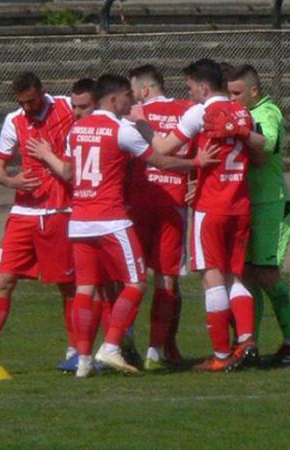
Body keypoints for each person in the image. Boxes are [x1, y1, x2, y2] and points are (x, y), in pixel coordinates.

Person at [29, 73, 218, 378]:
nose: (132, 101)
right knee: (136, 282)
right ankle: (112, 345)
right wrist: (196, 163)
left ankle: (84, 360)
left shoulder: (76, 130)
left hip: (80, 221)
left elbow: (70, 171)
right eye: (128, 96)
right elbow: (160, 160)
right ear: (115, 99)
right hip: (111, 220)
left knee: (86, 288)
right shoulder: (121, 130)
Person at [135, 58, 263, 372]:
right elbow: (259, 151)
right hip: (240, 204)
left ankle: (220, 355)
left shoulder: (200, 112)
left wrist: (142, 123)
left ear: (203, 87)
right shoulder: (241, 112)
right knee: (235, 276)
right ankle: (246, 341)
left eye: (191, 86)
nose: (189, 93)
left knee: (212, 277)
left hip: (212, 206)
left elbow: (163, 148)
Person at [0, 72, 75, 372]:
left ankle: (75, 350)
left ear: (42, 91)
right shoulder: (14, 120)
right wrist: (12, 181)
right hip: (24, 212)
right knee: (4, 280)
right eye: (22, 103)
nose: (27, 108)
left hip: (60, 211)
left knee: (67, 285)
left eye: (31, 101)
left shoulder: (67, 107)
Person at [224, 64, 290, 364]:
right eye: (229, 93)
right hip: (249, 204)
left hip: (272, 204)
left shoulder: (267, 112)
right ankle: (249, 343)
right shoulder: (242, 112)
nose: (232, 99)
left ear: (254, 91)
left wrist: (240, 130)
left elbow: (267, 144)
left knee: (267, 274)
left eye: (237, 93)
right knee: (246, 275)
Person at [127, 64, 194, 370]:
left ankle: (124, 340)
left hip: (140, 203)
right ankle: (158, 350)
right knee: (167, 279)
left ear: (144, 89)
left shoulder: (134, 115)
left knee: (132, 276)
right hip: (174, 202)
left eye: (133, 91)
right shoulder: (188, 110)